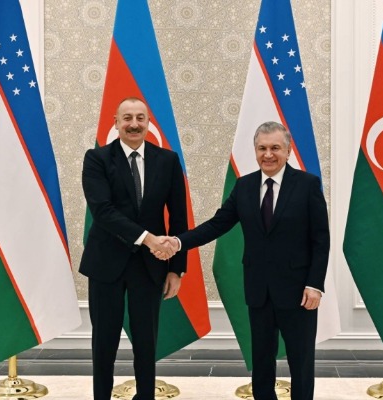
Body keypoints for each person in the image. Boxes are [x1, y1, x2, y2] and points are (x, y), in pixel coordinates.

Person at [156, 121, 329, 400]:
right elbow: (216, 225)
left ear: (288, 151)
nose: (268, 154)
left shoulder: (307, 185)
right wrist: (178, 242)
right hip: (258, 289)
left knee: (301, 361)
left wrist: (315, 285)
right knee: (261, 361)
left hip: (298, 291)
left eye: (275, 148)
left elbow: (321, 240)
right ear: (255, 150)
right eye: (262, 148)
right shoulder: (244, 186)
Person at [79, 97, 187, 400]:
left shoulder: (167, 160)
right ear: (116, 123)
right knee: (104, 343)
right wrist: (149, 239)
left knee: (146, 343)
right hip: (106, 264)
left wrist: (177, 269)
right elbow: (103, 211)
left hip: (150, 266)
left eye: (140, 118)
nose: (134, 124)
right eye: (127, 118)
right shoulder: (97, 159)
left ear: (149, 123)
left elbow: (179, 217)